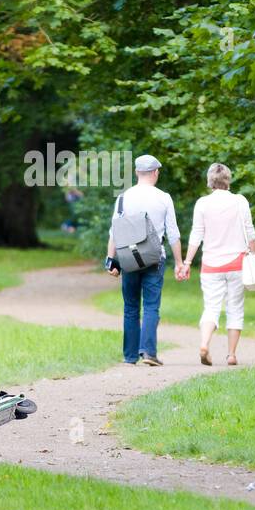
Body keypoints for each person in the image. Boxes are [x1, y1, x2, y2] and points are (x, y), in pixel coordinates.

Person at [105, 154, 184, 366]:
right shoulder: (163, 197)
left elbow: (115, 232)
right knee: (151, 306)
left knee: (130, 307)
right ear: (156, 172)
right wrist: (179, 263)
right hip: (154, 259)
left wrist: (111, 260)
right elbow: (173, 233)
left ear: (136, 173)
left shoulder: (123, 197)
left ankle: (130, 356)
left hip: (129, 259)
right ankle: (148, 353)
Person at [179, 163, 255, 366]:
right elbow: (250, 232)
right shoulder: (240, 201)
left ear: (210, 181)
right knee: (235, 308)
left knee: (211, 307)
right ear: (228, 180)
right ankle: (231, 355)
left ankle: (204, 344)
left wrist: (187, 262)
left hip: (211, 265)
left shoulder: (202, 203)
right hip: (236, 264)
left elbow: (196, 234)